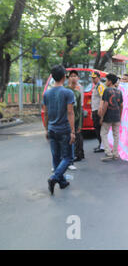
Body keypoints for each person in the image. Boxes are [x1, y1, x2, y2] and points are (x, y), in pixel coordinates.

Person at [42, 65, 75, 195]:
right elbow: (70, 112)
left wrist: (45, 129)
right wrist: (73, 132)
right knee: (68, 157)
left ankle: (62, 182)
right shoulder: (68, 92)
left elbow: (46, 113)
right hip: (64, 130)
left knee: (56, 157)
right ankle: (54, 178)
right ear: (64, 77)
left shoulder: (47, 93)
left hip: (51, 128)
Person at [99, 73, 123, 161]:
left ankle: (108, 152)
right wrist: (120, 116)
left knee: (103, 133)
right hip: (116, 116)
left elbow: (105, 104)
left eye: (106, 80)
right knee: (116, 135)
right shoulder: (119, 91)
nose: (105, 82)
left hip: (108, 116)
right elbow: (121, 105)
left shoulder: (107, 90)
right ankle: (115, 154)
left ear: (109, 81)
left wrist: (102, 116)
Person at [67, 70, 84, 170]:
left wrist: (80, 125)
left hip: (76, 119)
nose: (73, 78)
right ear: (68, 78)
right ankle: (62, 161)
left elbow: (79, 110)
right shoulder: (65, 90)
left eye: (75, 76)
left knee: (73, 140)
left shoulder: (78, 93)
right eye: (71, 76)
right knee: (66, 141)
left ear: (78, 78)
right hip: (66, 120)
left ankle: (71, 161)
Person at [91, 71, 105, 152]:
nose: (93, 79)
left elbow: (102, 98)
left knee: (99, 128)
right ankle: (101, 144)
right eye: (92, 78)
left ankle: (102, 145)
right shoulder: (96, 86)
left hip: (98, 111)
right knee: (97, 128)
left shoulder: (100, 86)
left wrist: (100, 109)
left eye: (94, 78)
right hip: (95, 110)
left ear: (99, 78)